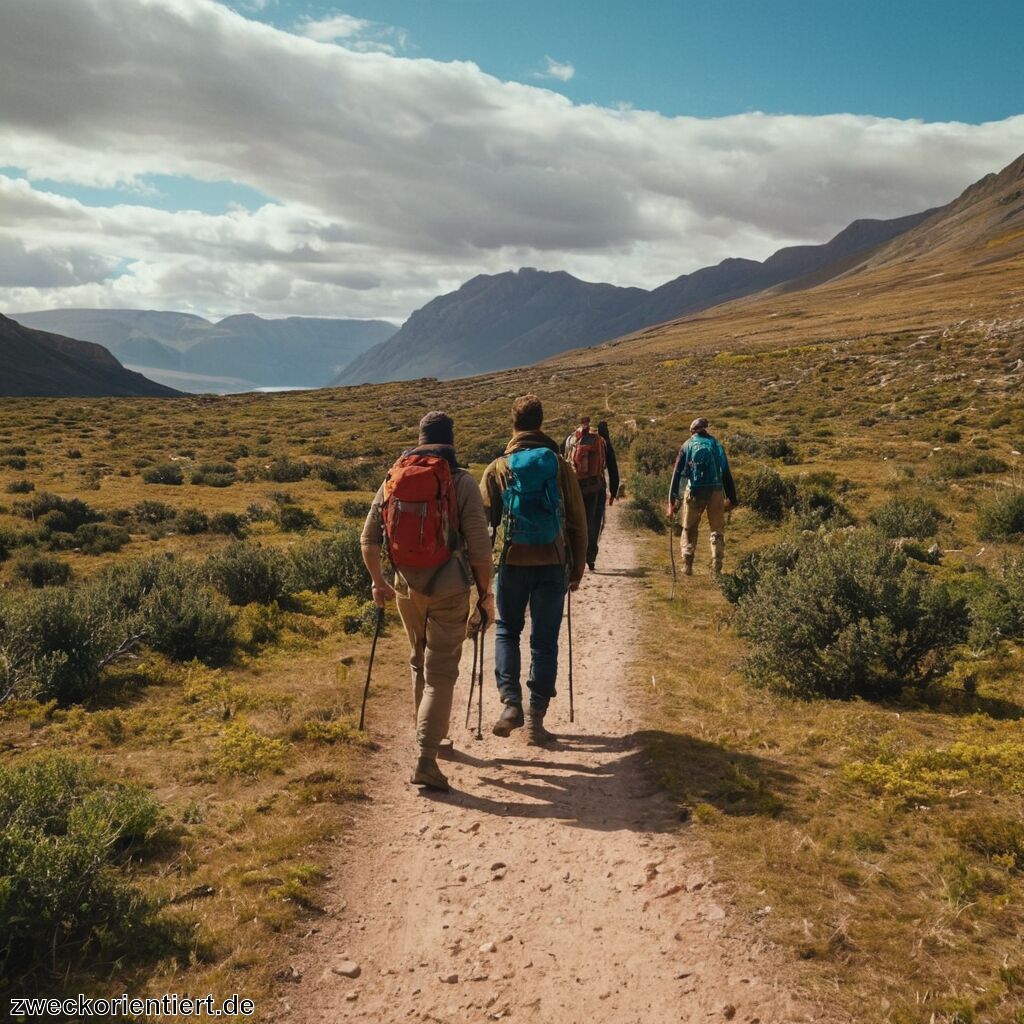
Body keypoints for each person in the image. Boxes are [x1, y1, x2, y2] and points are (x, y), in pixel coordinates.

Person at [361, 411, 493, 792]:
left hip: (405, 587)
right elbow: (480, 549)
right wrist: (485, 595)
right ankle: (426, 756)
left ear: (419, 439)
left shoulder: (393, 477)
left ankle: (429, 736)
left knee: (419, 661)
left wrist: (379, 582)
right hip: (450, 589)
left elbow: (368, 539)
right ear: (451, 442)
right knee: (441, 672)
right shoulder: (463, 481)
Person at [481, 395, 587, 745]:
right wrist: (577, 569)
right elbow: (577, 520)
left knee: (507, 631)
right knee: (544, 641)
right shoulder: (558, 464)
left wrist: (479, 575)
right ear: (541, 423)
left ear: (514, 424)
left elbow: (483, 522)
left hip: (511, 562)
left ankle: (511, 704)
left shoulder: (498, 467)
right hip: (553, 561)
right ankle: (536, 721)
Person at [667, 417, 737, 576]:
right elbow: (725, 472)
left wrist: (672, 501)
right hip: (716, 490)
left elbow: (676, 475)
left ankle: (687, 565)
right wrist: (732, 498)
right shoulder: (715, 444)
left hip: (694, 491)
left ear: (692, 431)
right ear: (706, 429)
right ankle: (716, 566)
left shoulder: (686, 445)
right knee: (717, 530)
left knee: (689, 528)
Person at [563, 415, 608, 571]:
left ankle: (573, 556)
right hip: (594, 488)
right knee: (592, 522)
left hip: (575, 486)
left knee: (573, 520)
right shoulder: (598, 440)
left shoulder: (571, 439)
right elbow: (602, 464)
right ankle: (590, 558)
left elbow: (565, 461)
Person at [595, 420, 620, 545]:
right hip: (598, 486)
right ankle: (591, 554)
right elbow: (613, 470)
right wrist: (613, 492)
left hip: (580, 486)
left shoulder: (580, 440)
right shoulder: (606, 444)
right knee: (598, 520)